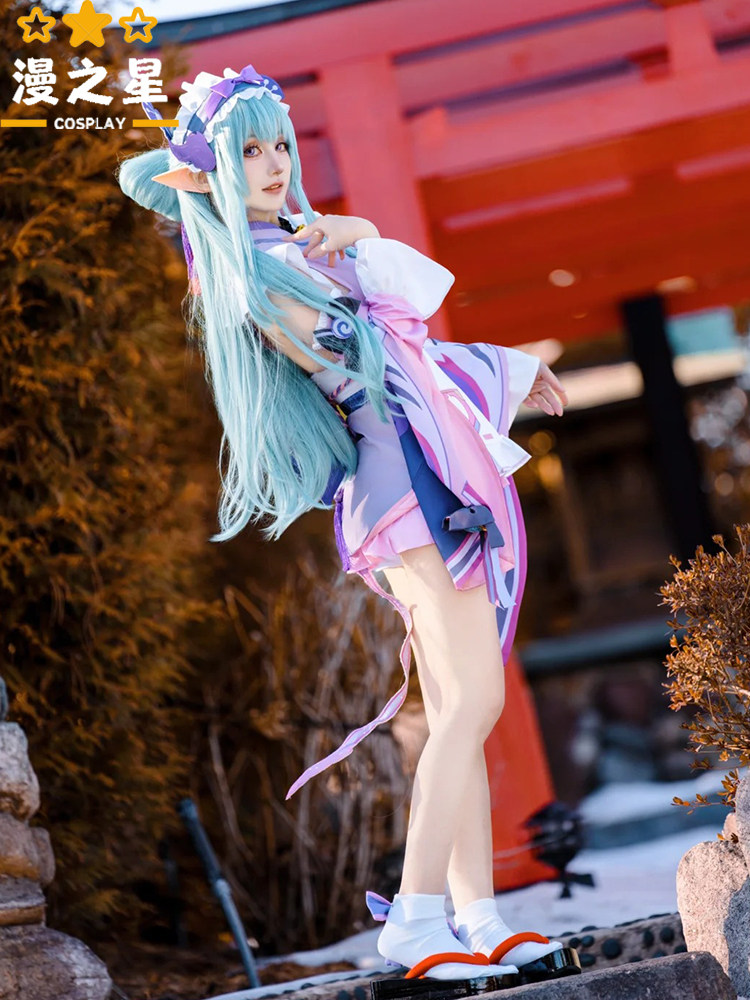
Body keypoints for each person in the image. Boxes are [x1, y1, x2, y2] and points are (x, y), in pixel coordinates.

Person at [118, 64, 576, 989]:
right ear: (211, 174)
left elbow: (406, 343)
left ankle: (478, 917)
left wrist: (499, 363)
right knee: (472, 704)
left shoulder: (290, 252)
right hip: (404, 487)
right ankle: (415, 917)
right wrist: (358, 239)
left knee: (457, 708)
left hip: (413, 477)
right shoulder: (256, 277)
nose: (274, 164)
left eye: (280, 144)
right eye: (249, 150)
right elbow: (383, 353)